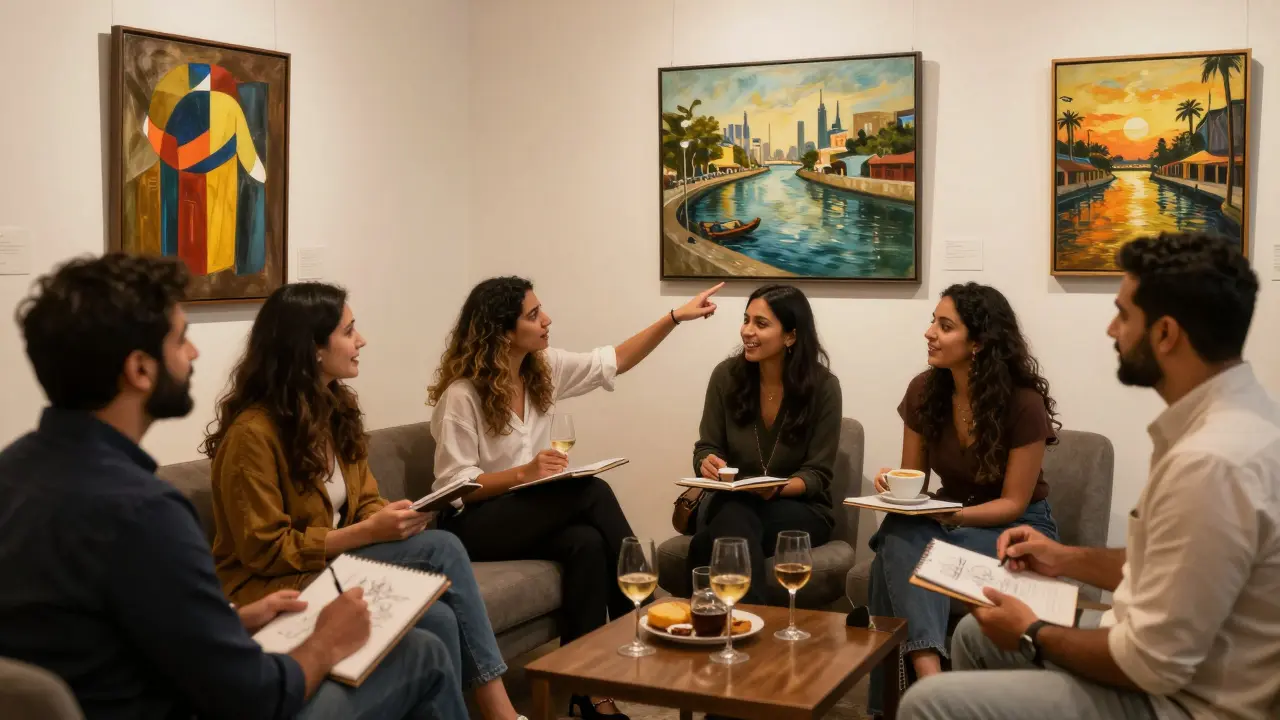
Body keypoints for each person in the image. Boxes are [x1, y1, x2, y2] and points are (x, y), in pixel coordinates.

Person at [0, 255, 465, 719]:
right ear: (140, 370)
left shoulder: (14, 471)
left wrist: (232, 621)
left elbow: (108, 628)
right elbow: (255, 697)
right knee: (421, 652)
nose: (194, 353)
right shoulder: (144, 511)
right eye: (181, 340)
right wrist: (326, 642)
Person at [900, 232, 1280, 720]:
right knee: (974, 634)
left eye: (1124, 315)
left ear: (1165, 334)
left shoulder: (1212, 461)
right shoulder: (1229, 423)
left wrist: (1031, 632)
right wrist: (1064, 558)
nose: (1110, 330)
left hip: (1178, 703)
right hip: (1160, 672)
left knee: (925, 704)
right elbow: (1167, 560)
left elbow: (1151, 666)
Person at [203, 281, 521, 720]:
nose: (362, 341)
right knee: (444, 547)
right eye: (349, 331)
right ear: (312, 347)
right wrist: (365, 533)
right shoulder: (252, 435)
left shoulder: (335, 410)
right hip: (277, 585)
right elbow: (264, 550)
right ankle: (502, 714)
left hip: (337, 568)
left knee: (442, 620)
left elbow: (366, 500)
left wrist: (390, 518)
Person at [428, 276, 722, 720]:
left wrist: (675, 318)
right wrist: (523, 474)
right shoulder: (462, 396)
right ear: (504, 331)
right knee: (592, 490)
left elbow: (616, 360)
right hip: (473, 525)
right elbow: (455, 487)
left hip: (526, 517)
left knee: (585, 543)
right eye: (533, 314)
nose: (546, 320)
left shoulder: (541, 370)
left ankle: (587, 691)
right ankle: (642, 609)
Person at [867, 282, 1061, 714]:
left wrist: (949, 515)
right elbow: (914, 480)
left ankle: (904, 699)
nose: (929, 333)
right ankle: (930, 678)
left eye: (945, 325)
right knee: (899, 528)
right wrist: (891, 483)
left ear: (978, 343)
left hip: (1016, 528)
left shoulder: (1023, 404)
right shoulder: (924, 390)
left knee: (891, 556)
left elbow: (1012, 503)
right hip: (947, 519)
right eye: (932, 321)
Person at [687, 284, 841, 605]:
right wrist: (707, 461)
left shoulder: (823, 387)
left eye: (761, 323)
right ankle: (752, 627)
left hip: (798, 509)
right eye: (746, 320)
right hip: (731, 501)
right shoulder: (726, 377)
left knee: (708, 542)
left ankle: (732, 622)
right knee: (735, 513)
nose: (747, 331)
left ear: (790, 336)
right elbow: (706, 447)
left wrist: (776, 488)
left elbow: (817, 475)